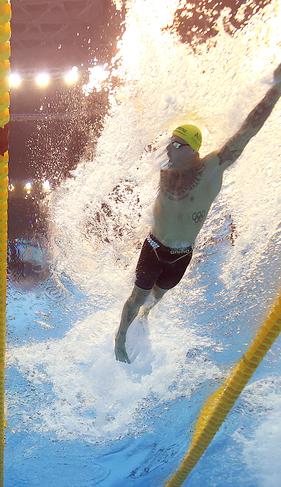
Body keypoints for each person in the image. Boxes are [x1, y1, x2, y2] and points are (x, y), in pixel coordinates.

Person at [115, 62, 281, 364]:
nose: (167, 149)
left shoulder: (212, 168)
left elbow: (248, 131)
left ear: (191, 149)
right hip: (153, 247)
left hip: (181, 255)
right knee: (136, 297)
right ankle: (119, 338)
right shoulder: (164, 168)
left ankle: (147, 316)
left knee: (155, 298)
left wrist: (275, 91)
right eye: (169, 143)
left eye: (175, 144)